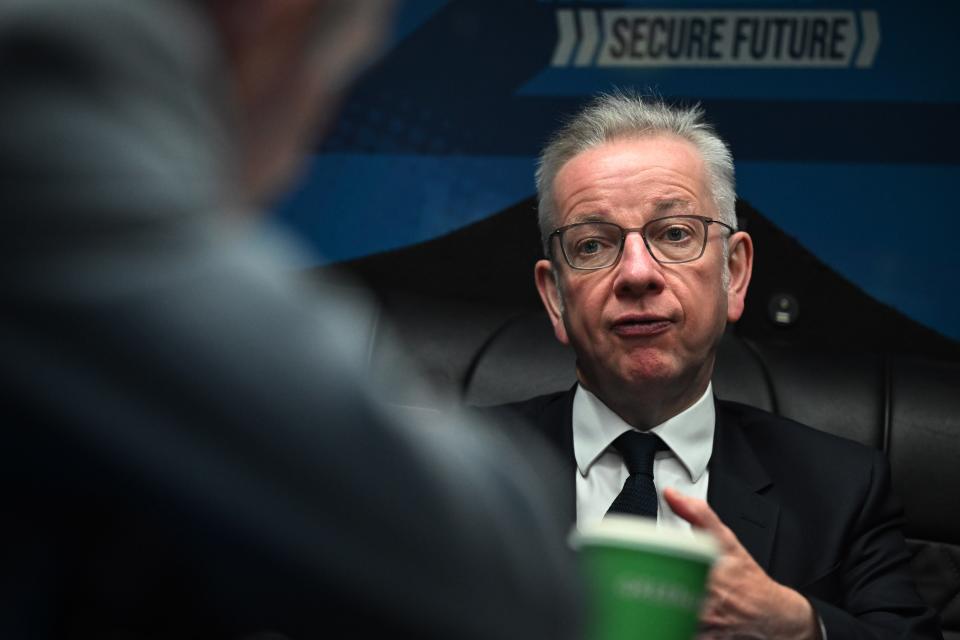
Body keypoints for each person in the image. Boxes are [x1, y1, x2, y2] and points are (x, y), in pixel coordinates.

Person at [0, 1, 581, 638]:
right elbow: (491, 573)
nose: (298, 163)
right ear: (274, 19)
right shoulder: (43, 82)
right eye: (332, 83)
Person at [491, 92, 942, 639]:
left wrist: (799, 627)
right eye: (592, 245)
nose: (637, 273)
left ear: (736, 272)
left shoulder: (842, 489)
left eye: (675, 234)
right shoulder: (460, 464)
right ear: (555, 298)